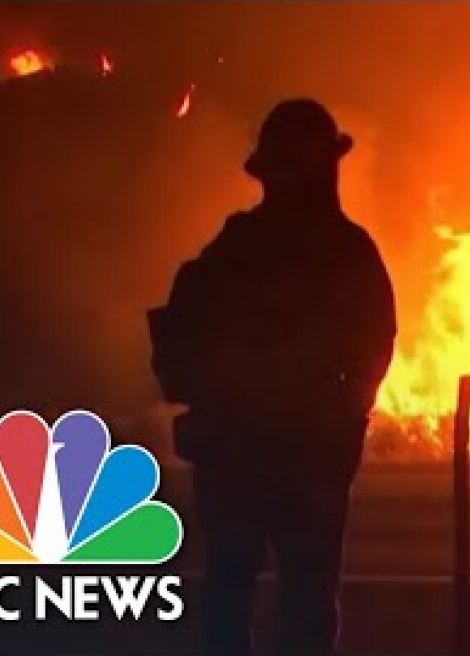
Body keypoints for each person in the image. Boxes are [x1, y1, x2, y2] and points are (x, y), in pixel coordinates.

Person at [150, 98, 396, 655]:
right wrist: (342, 418)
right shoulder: (342, 251)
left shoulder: (238, 248)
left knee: (235, 598)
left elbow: (180, 340)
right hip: (293, 456)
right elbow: (374, 346)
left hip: (251, 456)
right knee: (299, 603)